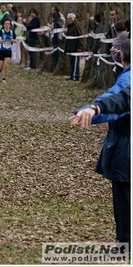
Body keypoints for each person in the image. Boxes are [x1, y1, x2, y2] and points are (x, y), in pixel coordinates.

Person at [69, 39, 130, 248]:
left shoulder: (127, 79)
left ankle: (125, 246)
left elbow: (118, 101)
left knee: (125, 202)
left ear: (121, 57)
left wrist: (92, 109)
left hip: (126, 149)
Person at [0, 19, 17, 84]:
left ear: (10, 25)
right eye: (5, 24)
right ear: (3, 25)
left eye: (8, 24)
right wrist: (0, 41)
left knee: (6, 65)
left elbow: (15, 40)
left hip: (8, 50)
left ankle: (4, 79)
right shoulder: (1, 31)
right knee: (0, 66)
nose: (7, 25)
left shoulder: (12, 32)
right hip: (0, 50)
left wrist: (13, 40)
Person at [65, 13, 83, 81]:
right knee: (72, 62)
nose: (69, 20)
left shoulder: (76, 26)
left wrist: (79, 47)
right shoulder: (69, 26)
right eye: (68, 19)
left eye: (71, 18)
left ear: (74, 18)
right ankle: (72, 75)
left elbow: (80, 36)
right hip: (70, 48)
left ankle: (75, 76)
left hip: (75, 47)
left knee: (75, 63)